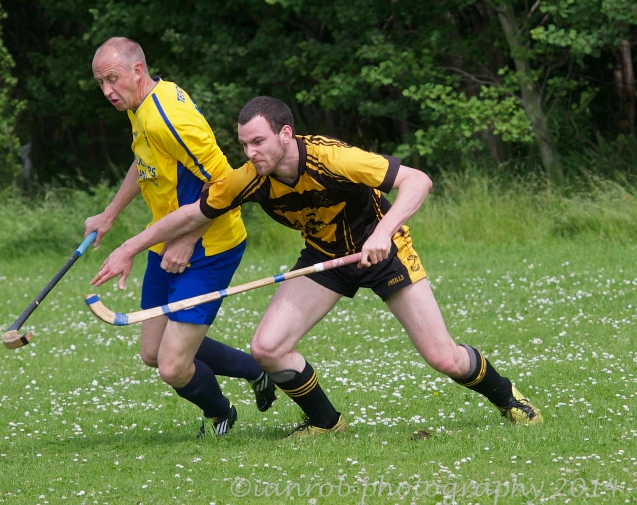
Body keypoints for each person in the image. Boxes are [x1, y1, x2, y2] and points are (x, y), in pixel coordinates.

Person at [91, 95, 543, 439]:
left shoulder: (333, 158)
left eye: (259, 142)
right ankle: (326, 423)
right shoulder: (251, 179)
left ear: (286, 135)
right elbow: (192, 214)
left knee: (441, 356)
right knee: (267, 347)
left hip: (384, 252)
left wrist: (383, 234)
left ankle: (507, 398)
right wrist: (131, 244)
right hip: (325, 259)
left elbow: (417, 181)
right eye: (244, 143)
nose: (249, 153)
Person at [85, 38, 276, 438]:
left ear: (137, 71)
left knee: (173, 366)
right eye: (101, 83)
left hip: (209, 247)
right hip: (166, 243)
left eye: (112, 80)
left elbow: (227, 182)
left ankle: (221, 414)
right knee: (152, 353)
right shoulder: (139, 107)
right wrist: (109, 214)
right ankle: (254, 371)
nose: (107, 91)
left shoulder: (167, 115)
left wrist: (189, 239)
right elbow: (145, 163)